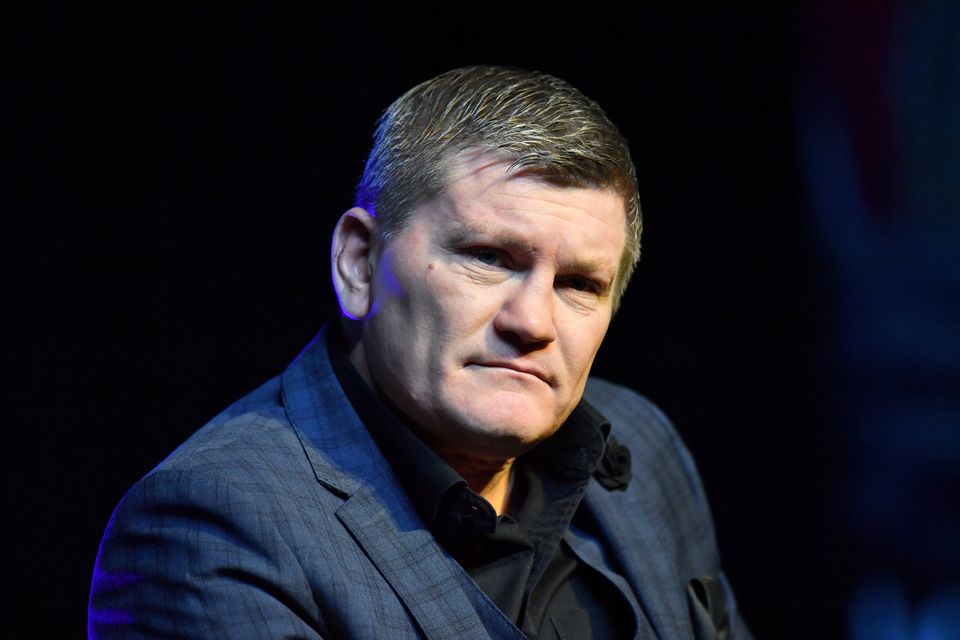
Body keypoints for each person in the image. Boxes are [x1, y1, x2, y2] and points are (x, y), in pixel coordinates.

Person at [89, 66, 751, 639]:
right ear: (358, 263)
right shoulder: (210, 527)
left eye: (579, 284)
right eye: (489, 258)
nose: (533, 323)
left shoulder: (643, 446)